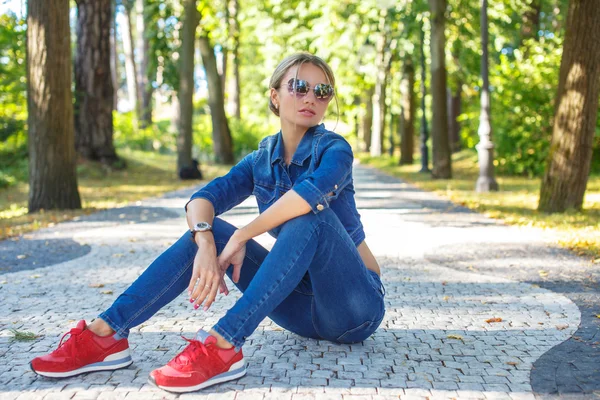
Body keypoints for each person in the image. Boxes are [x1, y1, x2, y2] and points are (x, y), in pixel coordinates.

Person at [30, 52, 386, 393]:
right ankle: (105, 334)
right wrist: (203, 240)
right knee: (208, 229)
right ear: (275, 96)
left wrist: (244, 234)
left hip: (353, 308)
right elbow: (204, 199)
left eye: (321, 91)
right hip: (297, 309)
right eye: (299, 87)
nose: (311, 97)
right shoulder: (261, 159)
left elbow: (308, 196)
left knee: (311, 218)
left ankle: (223, 344)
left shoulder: (335, 150)